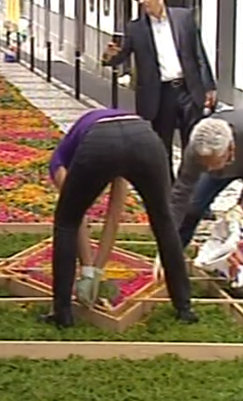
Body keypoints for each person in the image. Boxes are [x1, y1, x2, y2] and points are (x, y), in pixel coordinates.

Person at [44, 109, 197, 329]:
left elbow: (77, 220)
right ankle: (184, 307)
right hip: (144, 138)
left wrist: (92, 272)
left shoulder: (59, 161)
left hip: (102, 141)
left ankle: (62, 313)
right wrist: (91, 269)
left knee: (65, 222)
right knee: (163, 221)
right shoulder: (89, 140)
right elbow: (112, 215)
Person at [102, 0, 217, 179]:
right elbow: (120, 56)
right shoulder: (135, 28)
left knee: (193, 145)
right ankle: (168, 194)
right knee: (161, 147)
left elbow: (198, 53)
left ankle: (191, 193)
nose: (141, 1)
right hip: (159, 95)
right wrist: (108, 56)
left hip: (188, 90)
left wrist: (209, 86)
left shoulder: (184, 18)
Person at [171, 108, 243, 248]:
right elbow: (181, 192)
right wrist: (169, 238)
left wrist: (242, 206)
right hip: (232, 157)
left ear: (230, 149)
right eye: (205, 164)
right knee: (193, 206)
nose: (209, 169)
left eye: (213, 162)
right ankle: (177, 249)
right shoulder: (196, 149)